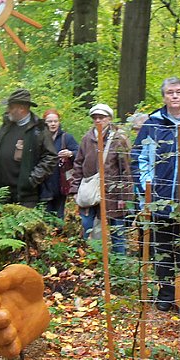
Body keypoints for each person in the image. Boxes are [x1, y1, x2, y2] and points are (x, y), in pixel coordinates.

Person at [132, 77, 180, 311]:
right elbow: (139, 157)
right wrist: (148, 185)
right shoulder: (153, 123)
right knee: (162, 247)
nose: (174, 96)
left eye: (178, 92)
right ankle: (165, 294)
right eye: (169, 92)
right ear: (164, 96)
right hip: (160, 197)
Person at [70, 103, 132, 254]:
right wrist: (75, 189)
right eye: (95, 117)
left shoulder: (118, 140)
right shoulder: (87, 139)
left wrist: (123, 196)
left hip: (113, 193)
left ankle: (120, 266)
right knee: (85, 226)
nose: (98, 120)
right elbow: (78, 164)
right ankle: (89, 260)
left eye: (102, 117)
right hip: (90, 190)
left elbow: (125, 170)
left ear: (109, 118)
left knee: (117, 232)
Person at [39, 109, 79, 220]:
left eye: (55, 121)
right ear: (45, 122)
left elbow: (80, 153)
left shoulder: (66, 138)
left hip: (60, 182)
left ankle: (59, 233)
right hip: (43, 183)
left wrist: (70, 153)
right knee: (45, 215)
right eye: (50, 121)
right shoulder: (39, 138)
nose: (53, 124)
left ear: (59, 122)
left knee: (59, 215)